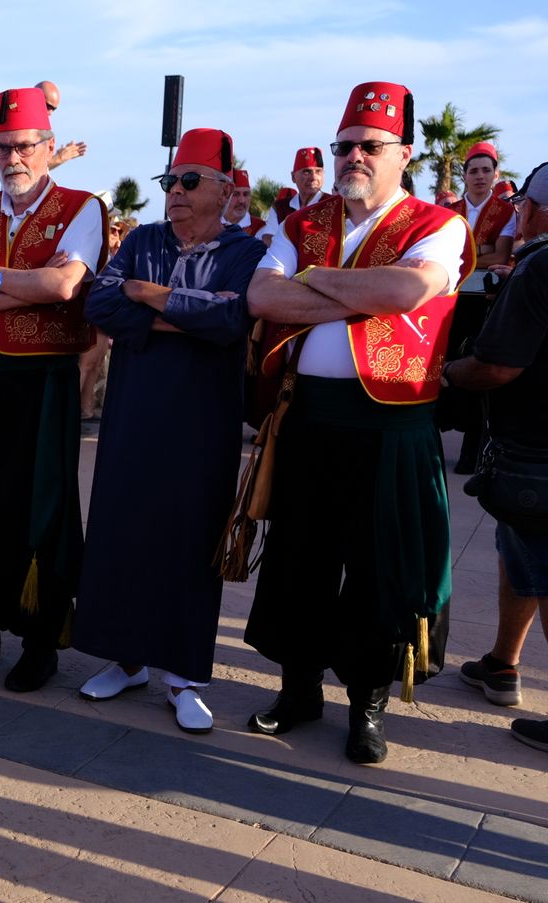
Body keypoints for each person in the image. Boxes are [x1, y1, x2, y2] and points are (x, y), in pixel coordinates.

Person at [243, 82, 474, 764]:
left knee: (379, 566)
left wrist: (308, 284)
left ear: (404, 153)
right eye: (344, 146)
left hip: (392, 420)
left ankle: (366, 705)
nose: (353, 157)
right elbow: (261, 295)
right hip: (309, 415)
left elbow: (406, 290)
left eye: (369, 146)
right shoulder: (302, 223)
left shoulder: (438, 224)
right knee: (299, 556)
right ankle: (298, 689)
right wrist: (353, 290)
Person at [73, 129, 267, 733]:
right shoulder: (144, 240)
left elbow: (233, 319)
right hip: (133, 413)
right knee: (123, 525)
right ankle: (127, 659)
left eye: (189, 182)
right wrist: (184, 311)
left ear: (225, 189)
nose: (175, 194)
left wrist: (152, 295)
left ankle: (184, 676)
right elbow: (100, 304)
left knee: (190, 534)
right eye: (169, 183)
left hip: (202, 420)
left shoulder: (246, 252)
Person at [0, 85, 108, 692]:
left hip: (44, 383)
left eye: (26, 146)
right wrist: (15, 283)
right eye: (4, 147)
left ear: (49, 146)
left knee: (44, 510)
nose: (14, 157)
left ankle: (41, 641)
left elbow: (62, 287)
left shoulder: (82, 207)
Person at [444, 162, 548, 752]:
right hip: (532, 450)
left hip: (536, 445)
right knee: (521, 548)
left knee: (541, 560)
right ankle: (502, 664)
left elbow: (498, 365)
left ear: (531, 210)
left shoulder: (538, 269)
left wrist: (449, 375)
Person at [447, 142, 517, 269]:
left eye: (486, 170)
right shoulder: (449, 212)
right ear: (464, 176)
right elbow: (441, 254)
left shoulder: (505, 212)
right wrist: (481, 250)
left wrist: (456, 260)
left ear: (496, 175)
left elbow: (500, 258)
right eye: (474, 171)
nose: (480, 176)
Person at [258, 148, 329, 246]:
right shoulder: (280, 207)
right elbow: (267, 238)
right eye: (307, 172)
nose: (313, 178)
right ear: (293, 177)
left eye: (318, 171)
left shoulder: (332, 204)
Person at [36, 80, 87, 168]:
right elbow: (31, 170)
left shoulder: (39, 130)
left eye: (53, 109)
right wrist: (59, 158)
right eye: (48, 106)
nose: (50, 113)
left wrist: (59, 157)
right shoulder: (21, 129)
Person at [224, 169, 265, 237]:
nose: (241, 201)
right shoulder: (211, 223)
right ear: (224, 195)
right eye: (236, 194)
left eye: (246, 194)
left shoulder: (259, 227)